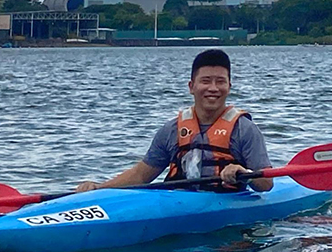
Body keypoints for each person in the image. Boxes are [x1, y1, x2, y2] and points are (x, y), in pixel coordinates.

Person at [79, 49, 274, 193]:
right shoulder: (172, 130)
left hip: (230, 202)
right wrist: (99, 188)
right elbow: (141, 175)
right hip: (180, 201)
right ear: (192, 86)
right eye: (205, 81)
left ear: (229, 86)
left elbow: (266, 184)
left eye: (220, 82)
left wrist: (243, 172)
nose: (213, 88)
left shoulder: (245, 130)